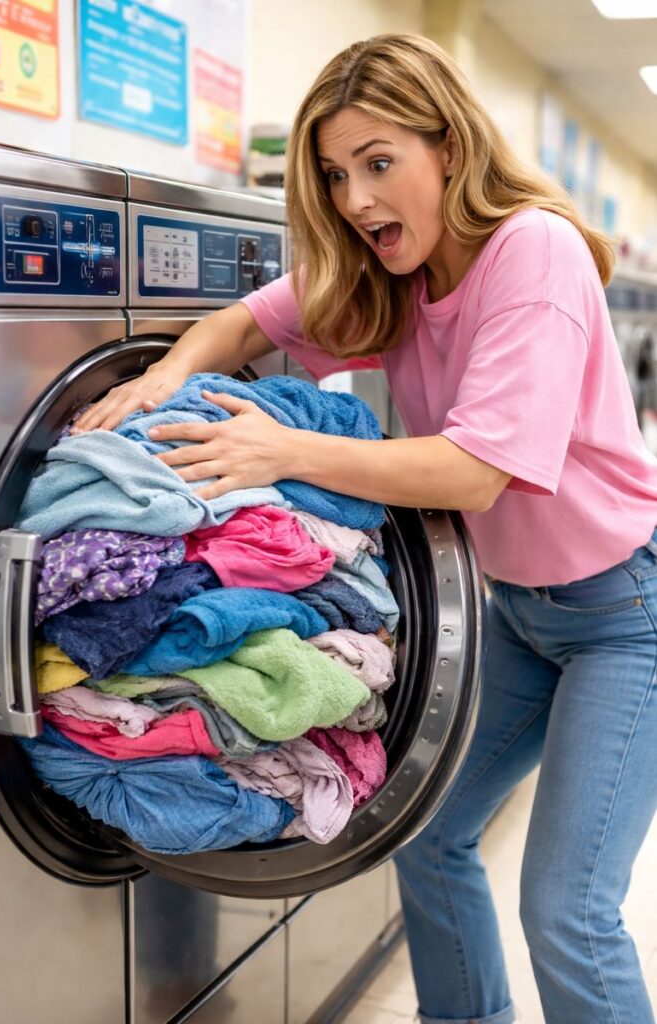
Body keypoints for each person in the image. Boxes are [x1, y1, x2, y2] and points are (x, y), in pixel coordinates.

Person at [73, 33, 657, 1024]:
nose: (352, 199)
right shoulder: (392, 271)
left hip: (623, 613)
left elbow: (474, 469)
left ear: (448, 150)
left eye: (377, 162)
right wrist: (169, 372)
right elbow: (242, 325)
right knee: (421, 830)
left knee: (565, 904)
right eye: (334, 174)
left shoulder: (532, 249)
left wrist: (283, 453)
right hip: (514, 609)